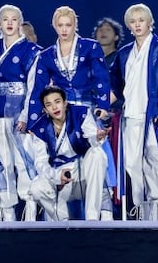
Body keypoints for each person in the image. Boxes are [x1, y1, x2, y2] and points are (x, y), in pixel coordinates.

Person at [21, 5, 115, 220]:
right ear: (54, 26)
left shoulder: (90, 47)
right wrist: (33, 122)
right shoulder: (46, 55)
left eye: (68, 25)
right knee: (56, 158)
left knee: (96, 159)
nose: (64, 29)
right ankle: (58, 217)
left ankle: (101, 216)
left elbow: (101, 77)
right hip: (59, 111)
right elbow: (38, 90)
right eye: (60, 25)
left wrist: (103, 106)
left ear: (75, 25)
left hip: (86, 110)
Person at [109, 3, 158, 221]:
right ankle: (140, 205)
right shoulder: (124, 53)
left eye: (141, 20)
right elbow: (115, 85)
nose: (137, 25)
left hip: (153, 115)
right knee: (131, 163)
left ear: (150, 23)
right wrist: (103, 106)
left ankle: (154, 210)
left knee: (154, 161)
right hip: (131, 114)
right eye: (133, 21)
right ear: (128, 26)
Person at [0, 4, 42, 221]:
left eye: (14, 19)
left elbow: (34, 86)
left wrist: (27, 115)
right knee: (1, 160)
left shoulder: (32, 50)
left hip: (21, 108)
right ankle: (7, 211)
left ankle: (30, 207)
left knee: (24, 159)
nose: (10, 23)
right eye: (5, 19)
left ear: (20, 23)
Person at [27, 86, 111, 221]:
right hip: (59, 175)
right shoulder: (40, 129)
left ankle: (92, 219)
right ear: (45, 110)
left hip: (82, 172)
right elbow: (40, 162)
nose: (54, 107)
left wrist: (97, 137)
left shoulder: (81, 113)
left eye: (57, 102)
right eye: (49, 105)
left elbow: (91, 137)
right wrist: (56, 176)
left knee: (97, 154)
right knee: (36, 188)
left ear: (65, 102)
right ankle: (62, 222)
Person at [93, 17, 125, 215]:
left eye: (108, 30)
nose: (103, 32)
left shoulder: (120, 58)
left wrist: (106, 108)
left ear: (116, 36)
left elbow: (121, 87)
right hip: (92, 116)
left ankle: (113, 207)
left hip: (115, 118)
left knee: (114, 162)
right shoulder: (90, 58)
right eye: (100, 29)